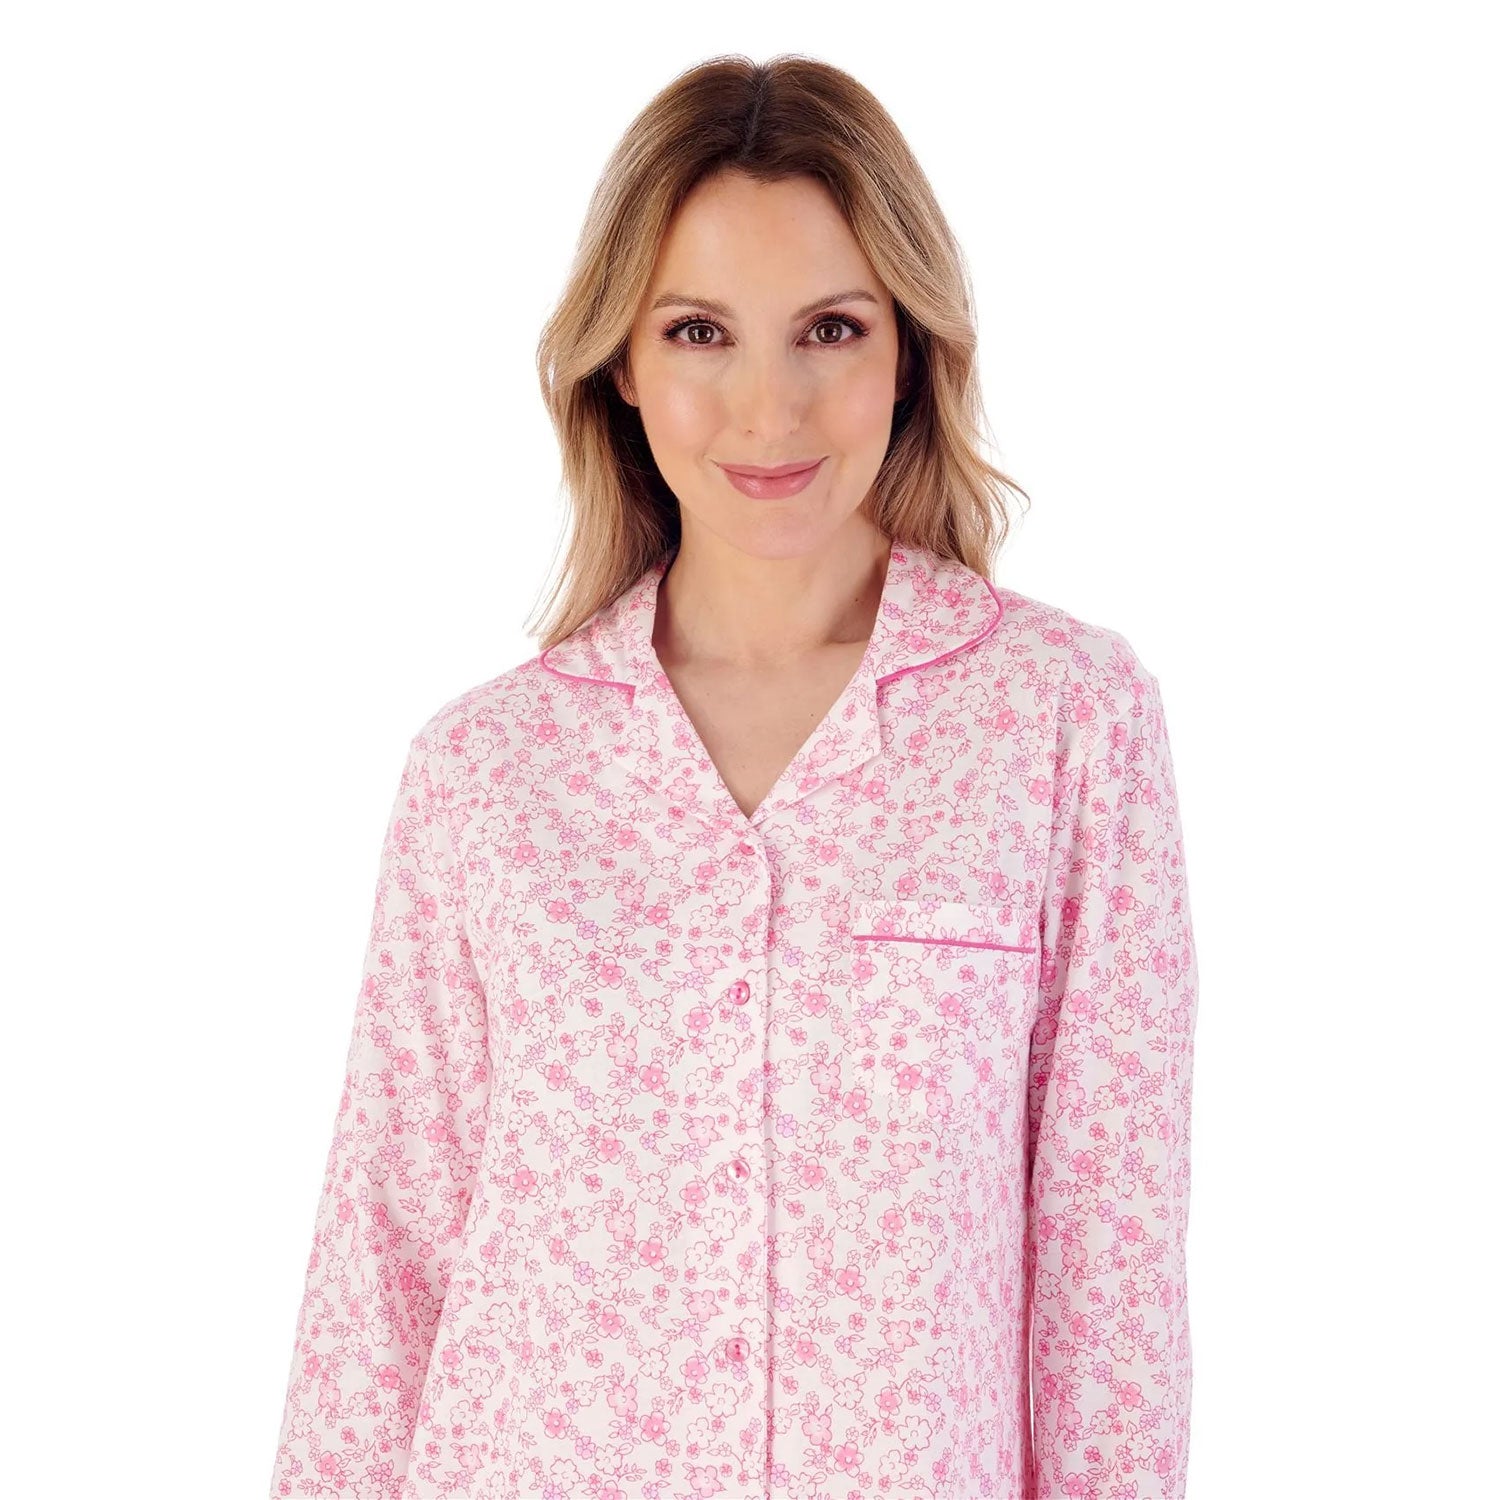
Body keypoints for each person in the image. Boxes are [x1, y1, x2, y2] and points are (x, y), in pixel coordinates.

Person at [268, 53, 1200, 1500]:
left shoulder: (1062, 724)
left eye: (831, 327)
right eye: (700, 331)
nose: (769, 408)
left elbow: (1110, 1279)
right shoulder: (484, 774)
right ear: (621, 364)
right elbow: (385, 1265)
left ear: (911, 352)